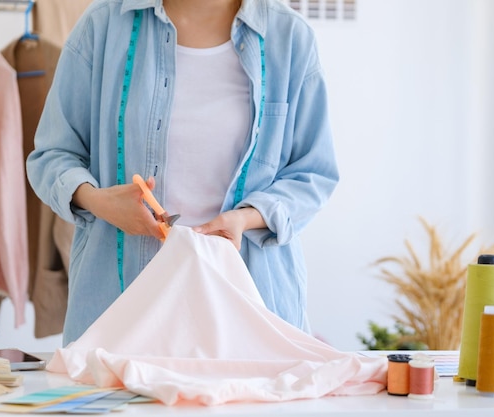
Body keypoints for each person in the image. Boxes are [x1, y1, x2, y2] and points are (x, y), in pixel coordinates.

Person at [26, 0, 339, 346]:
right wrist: (99, 201)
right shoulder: (104, 25)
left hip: (252, 303)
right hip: (121, 306)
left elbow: (313, 173)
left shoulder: (290, 37)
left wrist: (247, 218)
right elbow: (52, 155)